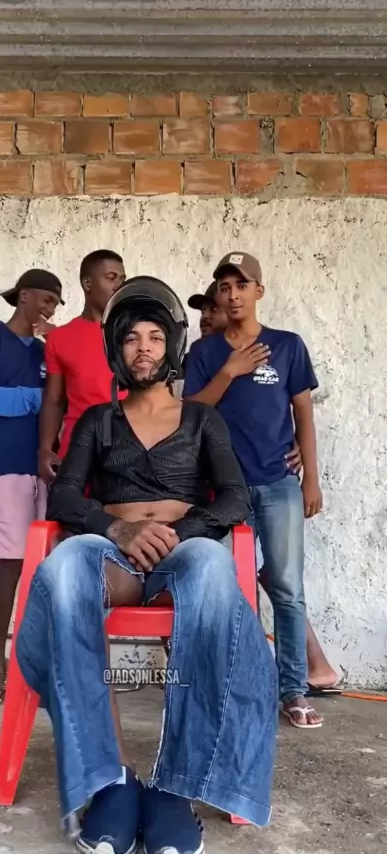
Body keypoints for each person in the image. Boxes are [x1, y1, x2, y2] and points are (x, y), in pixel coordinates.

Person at [16, 276, 278, 854]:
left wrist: (176, 533)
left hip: (184, 551)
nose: (143, 348)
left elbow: (235, 497)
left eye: (155, 337)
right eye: (131, 338)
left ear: (171, 347)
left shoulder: (202, 420)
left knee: (212, 565)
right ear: (117, 348)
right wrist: (118, 529)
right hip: (112, 552)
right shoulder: (97, 421)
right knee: (63, 567)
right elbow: (64, 496)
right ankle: (109, 777)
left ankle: (175, 786)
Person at [183, 252, 325, 729]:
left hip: (278, 484)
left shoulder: (287, 346)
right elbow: (191, 414)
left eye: (242, 285)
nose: (233, 295)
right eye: (224, 287)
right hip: (225, 490)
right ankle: (235, 688)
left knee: (287, 588)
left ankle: (293, 690)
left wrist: (310, 478)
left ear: (259, 291)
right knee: (227, 590)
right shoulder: (205, 354)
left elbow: (303, 414)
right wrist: (230, 371)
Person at [0, 269, 63, 706]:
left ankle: (38, 670)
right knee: (12, 563)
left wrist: (61, 346)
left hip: (47, 468)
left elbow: (70, 398)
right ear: (24, 296)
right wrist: (37, 399)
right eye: (46, 298)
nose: (50, 308)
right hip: (4, 464)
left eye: (56, 302)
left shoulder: (47, 350)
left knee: (47, 568)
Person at [38, 249, 127, 484]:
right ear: (87, 283)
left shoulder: (135, 334)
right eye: (111, 278)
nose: (119, 285)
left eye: (122, 279)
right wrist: (45, 448)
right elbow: (54, 400)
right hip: (78, 453)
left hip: (130, 453)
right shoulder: (60, 338)